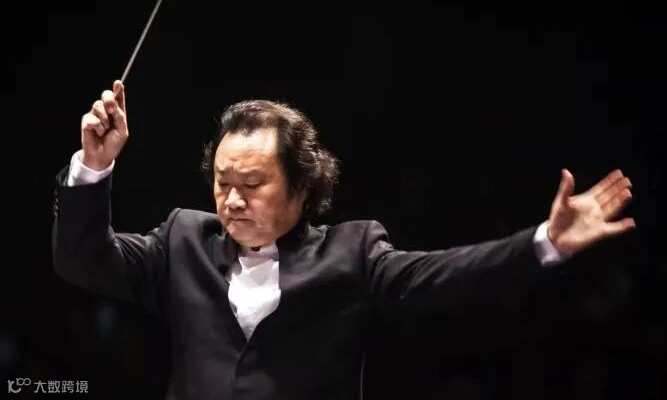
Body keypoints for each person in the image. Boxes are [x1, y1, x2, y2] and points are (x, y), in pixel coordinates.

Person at [52, 80, 635, 400]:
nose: (231, 200)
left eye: (252, 185)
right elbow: (83, 262)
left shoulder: (351, 254)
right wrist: (94, 166)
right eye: (222, 183)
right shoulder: (182, 239)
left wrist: (545, 241)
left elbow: (446, 274)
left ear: (302, 187)